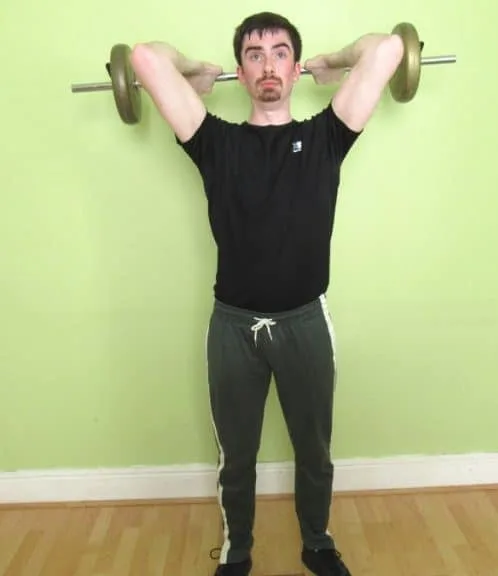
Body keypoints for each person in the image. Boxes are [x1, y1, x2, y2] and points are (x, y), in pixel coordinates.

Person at [129, 11, 407, 576]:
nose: (268, 65)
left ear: (295, 67)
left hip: (305, 322)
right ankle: (238, 552)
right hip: (232, 327)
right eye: (254, 55)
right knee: (237, 459)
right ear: (242, 71)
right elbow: (146, 59)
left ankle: (318, 544)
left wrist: (335, 63)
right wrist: (195, 73)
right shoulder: (215, 144)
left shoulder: (326, 136)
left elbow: (387, 49)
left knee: (315, 452)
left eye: (281, 52)